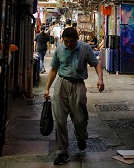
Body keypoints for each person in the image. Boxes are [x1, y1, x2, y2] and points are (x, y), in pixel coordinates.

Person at [43, 27, 104, 165]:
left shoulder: (85, 48)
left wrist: (100, 79)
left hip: (78, 85)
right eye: (66, 42)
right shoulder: (59, 49)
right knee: (60, 120)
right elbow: (53, 69)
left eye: (71, 41)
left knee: (80, 118)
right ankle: (62, 152)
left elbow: (96, 64)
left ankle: (81, 136)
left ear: (77, 39)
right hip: (61, 84)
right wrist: (47, 88)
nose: (69, 44)